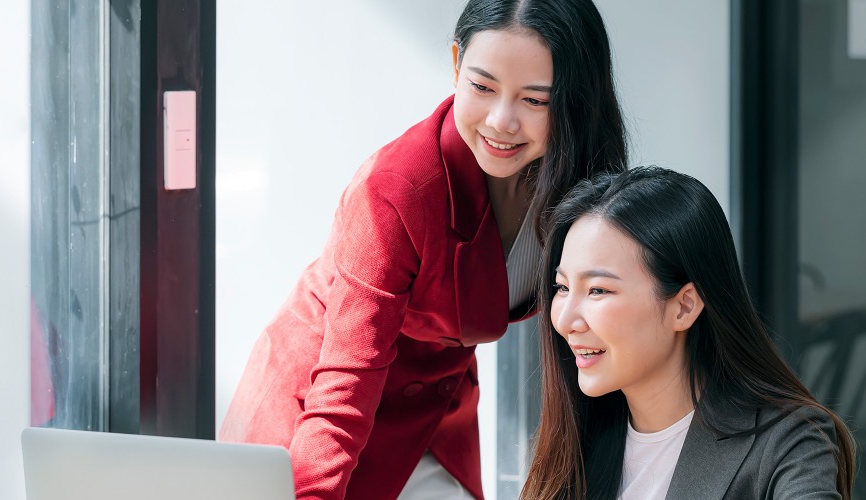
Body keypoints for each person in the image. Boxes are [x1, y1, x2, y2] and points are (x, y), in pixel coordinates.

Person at [218, 0, 627, 498]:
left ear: (575, 99)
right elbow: (344, 387)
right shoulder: (397, 188)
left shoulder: (577, 183)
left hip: (432, 416)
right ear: (456, 64)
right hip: (320, 405)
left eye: (535, 100)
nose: (501, 121)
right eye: (481, 87)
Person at [521, 166, 857, 499]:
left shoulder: (787, 444)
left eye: (597, 290)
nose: (565, 320)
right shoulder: (573, 444)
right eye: (562, 287)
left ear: (684, 306)